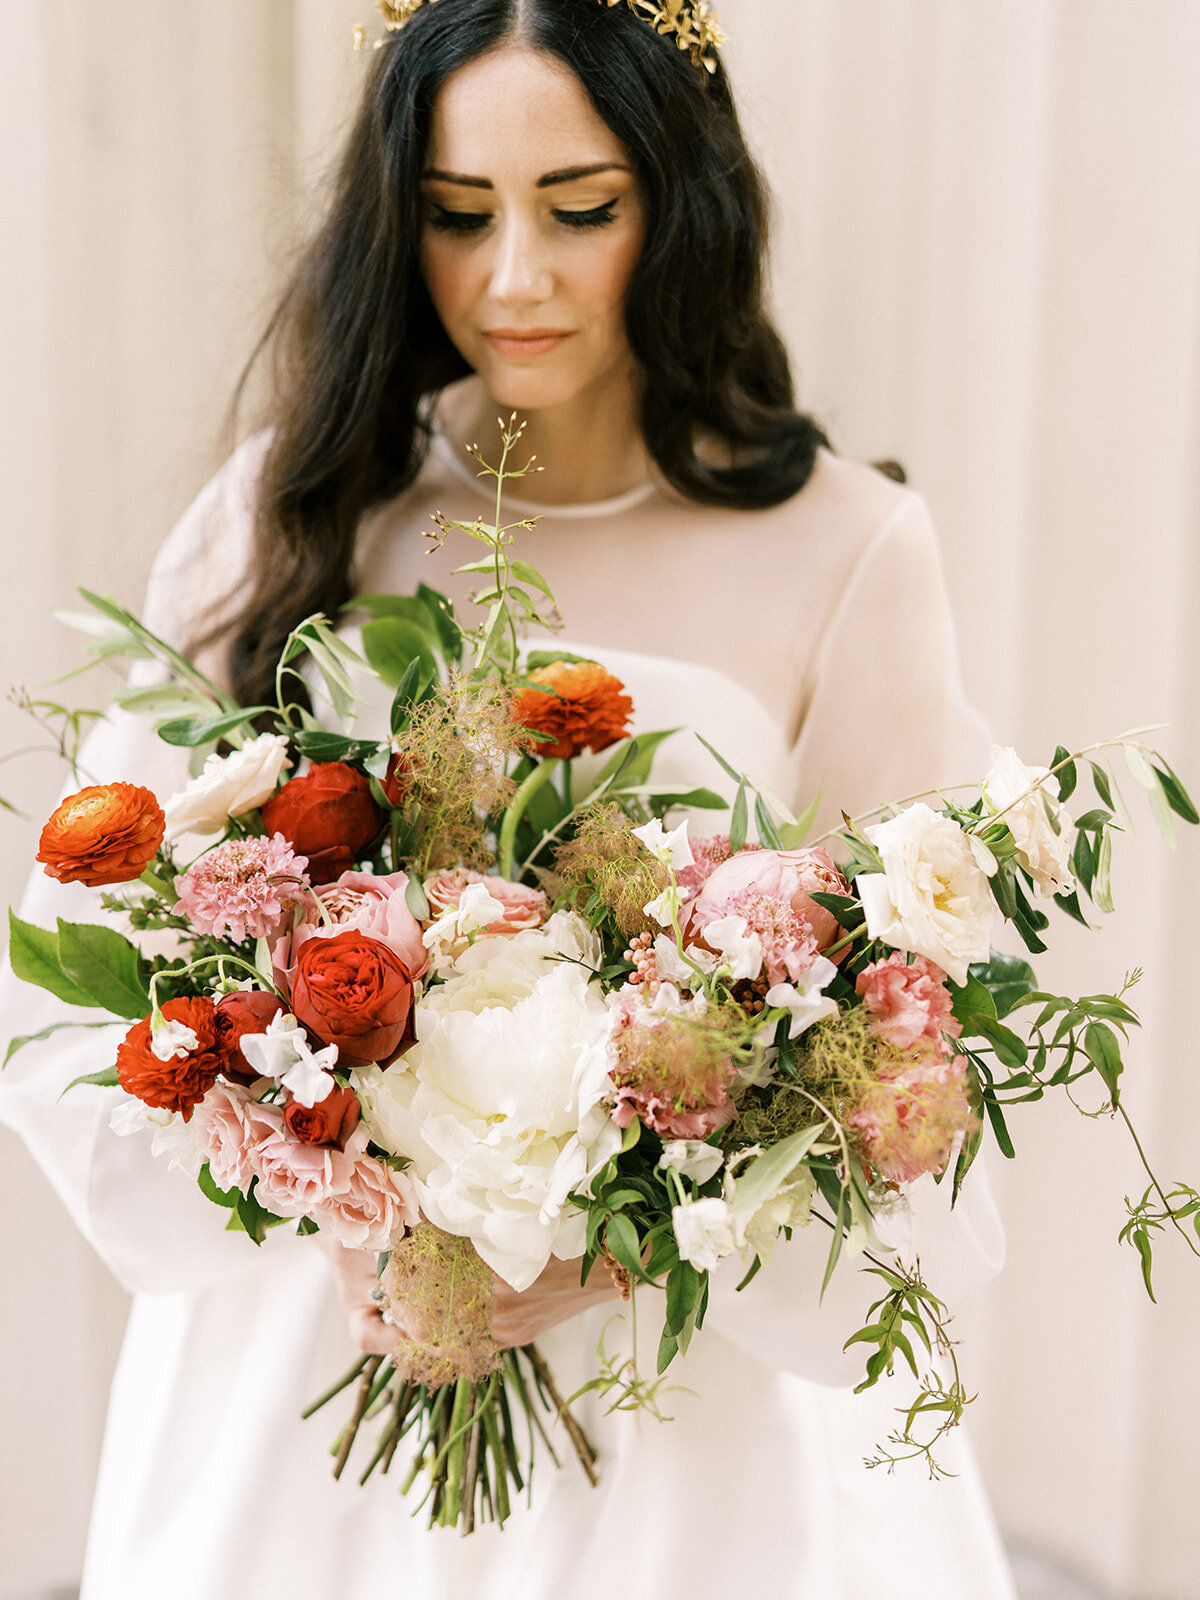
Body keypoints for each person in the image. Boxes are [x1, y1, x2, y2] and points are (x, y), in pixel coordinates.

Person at [0, 3, 1016, 1596]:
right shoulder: (300, 508)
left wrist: (596, 1246)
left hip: (681, 1408)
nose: (515, 276)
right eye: (459, 215)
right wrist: (313, 1154)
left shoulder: (853, 545)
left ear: (678, 203)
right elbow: (92, 949)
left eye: (580, 208)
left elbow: (899, 1032)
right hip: (313, 1373)